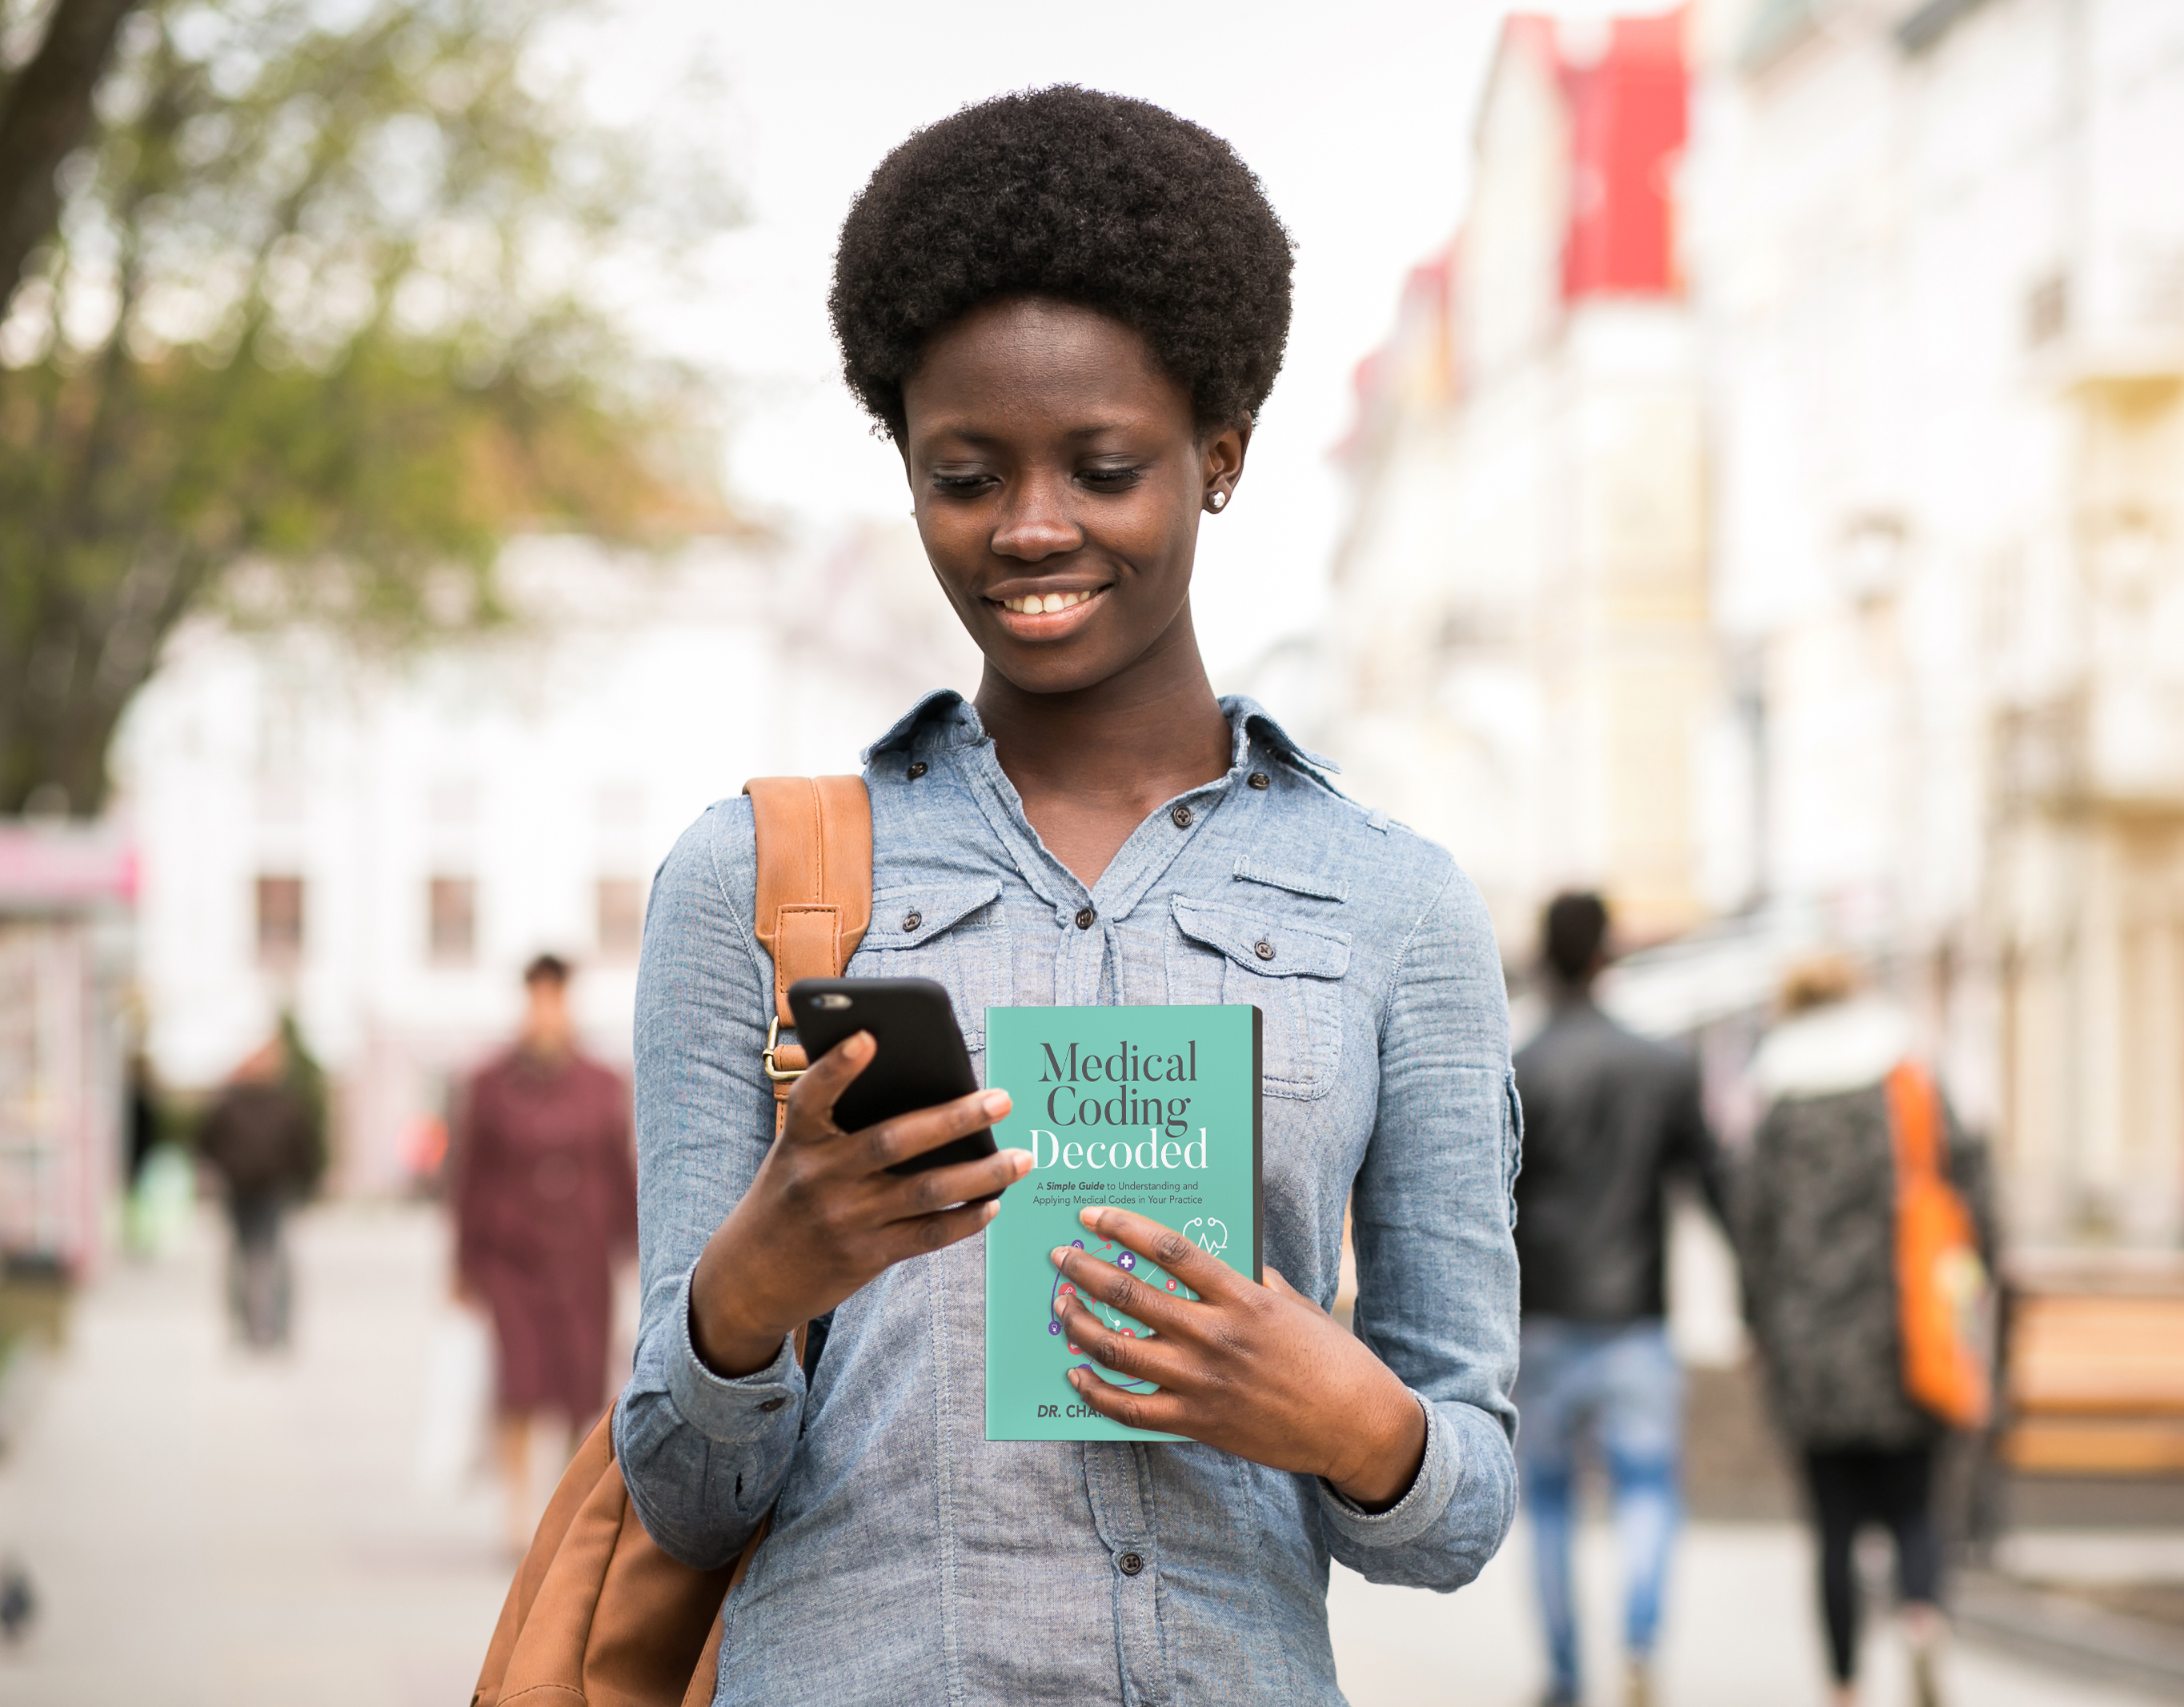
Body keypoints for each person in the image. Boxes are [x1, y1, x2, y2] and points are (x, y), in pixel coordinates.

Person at [611, 88, 1519, 1704]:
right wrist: (752, 1286)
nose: (1032, 528)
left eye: (1103, 468)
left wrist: (1348, 1417)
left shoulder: (1395, 905)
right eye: (966, 475)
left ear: (1219, 455)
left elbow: (1460, 1509)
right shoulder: (751, 883)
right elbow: (681, 1493)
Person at [1734, 956, 1997, 1707]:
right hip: (1906, 1333)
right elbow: (1971, 1188)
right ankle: (1921, 1618)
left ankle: (1845, 1686)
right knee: (1915, 1506)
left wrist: (1757, 1321)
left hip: (1809, 1344)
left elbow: (1752, 1226)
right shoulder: (1908, 1082)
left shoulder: (1778, 1100)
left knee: (1834, 1528)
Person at [1510, 892, 1718, 1707]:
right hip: (1635, 1318)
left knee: (1549, 1501)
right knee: (1646, 1487)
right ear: (1608, 956)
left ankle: (1565, 1673)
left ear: (1545, 958)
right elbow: (1714, 1184)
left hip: (1541, 1320)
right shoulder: (1661, 1067)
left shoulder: (1519, 1070)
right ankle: (1638, 1639)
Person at [452, 954, 637, 1548]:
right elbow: (468, 1176)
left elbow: (620, 1169)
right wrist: (462, 1263)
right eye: (537, 998)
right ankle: (517, 1508)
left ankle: (564, 1508)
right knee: (520, 1381)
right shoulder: (490, 1084)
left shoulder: (601, 1082)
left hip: (584, 1258)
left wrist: (640, 1249)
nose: (546, 1012)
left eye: (555, 998)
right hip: (513, 1257)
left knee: (582, 1384)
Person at [197, 1032, 323, 1348]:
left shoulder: (248, 1103)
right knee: (256, 1256)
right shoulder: (266, 1103)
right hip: (251, 1189)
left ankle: (265, 1326)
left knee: (262, 1256)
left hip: (265, 1188)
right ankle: (255, 1326)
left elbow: (300, 1147)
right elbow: (303, 1149)